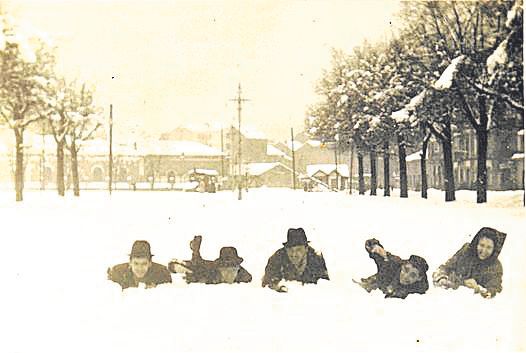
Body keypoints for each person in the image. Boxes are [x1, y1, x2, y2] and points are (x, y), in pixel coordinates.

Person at [432, 227, 506, 298]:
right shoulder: (466, 251)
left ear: (494, 249)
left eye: (489, 247)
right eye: (481, 245)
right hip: (450, 294)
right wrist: (442, 278)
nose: (483, 250)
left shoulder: (496, 266)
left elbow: (495, 288)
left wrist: (484, 291)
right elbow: (445, 268)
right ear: (476, 244)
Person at [355, 238, 429, 299]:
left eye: (412, 276)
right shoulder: (392, 264)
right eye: (405, 270)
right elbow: (372, 247)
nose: (405, 276)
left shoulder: (416, 291)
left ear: (419, 278)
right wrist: (375, 247)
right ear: (403, 265)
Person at [262, 228, 329, 292]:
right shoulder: (277, 258)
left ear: (306, 249)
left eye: (298, 250)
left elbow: (325, 286)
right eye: (290, 250)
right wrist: (278, 287)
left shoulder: (316, 259)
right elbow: (266, 283)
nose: (294, 254)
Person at [168, 236, 252, 284]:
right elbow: (198, 267)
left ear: (238, 267)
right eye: (225, 268)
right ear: (220, 268)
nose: (228, 272)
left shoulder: (243, 275)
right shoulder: (212, 274)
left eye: (233, 269)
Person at [107, 240, 172, 290]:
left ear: (150, 263)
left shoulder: (161, 273)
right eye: (136, 263)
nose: (140, 268)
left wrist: (157, 290)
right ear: (130, 263)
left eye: (144, 264)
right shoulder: (118, 272)